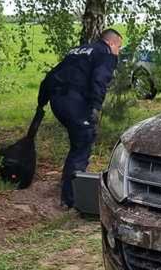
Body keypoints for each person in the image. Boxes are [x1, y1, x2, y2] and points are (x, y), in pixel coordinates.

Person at [37, 29, 123, 207]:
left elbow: (52, 74)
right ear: (112, 43)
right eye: (119, 47)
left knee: (78, 143)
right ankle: (71, 199)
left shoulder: (78, 50)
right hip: (74, 103)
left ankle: (68, 187)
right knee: (83, 143)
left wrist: (42, 102)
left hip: (57, 101)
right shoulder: (105, 54)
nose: (119, 51)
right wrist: (95, 108)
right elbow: (100, 80)